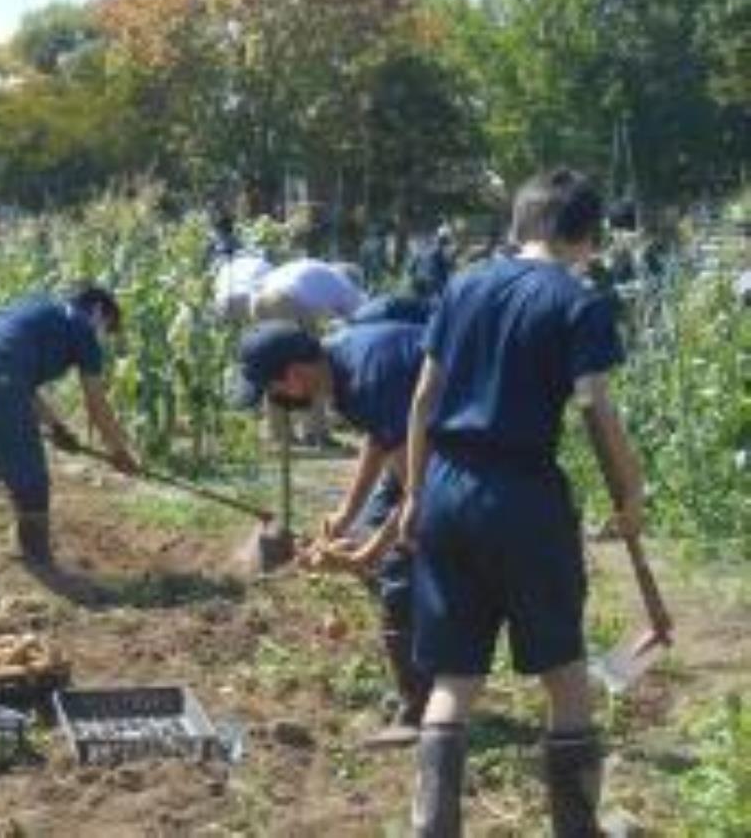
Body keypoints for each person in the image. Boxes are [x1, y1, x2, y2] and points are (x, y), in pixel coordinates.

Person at [397, 169, 654, 836]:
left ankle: (432, 827)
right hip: (523, 497)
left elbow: (423, 398)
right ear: (587, 237)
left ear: (520, 223)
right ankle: (575, 828)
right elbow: (594, 406)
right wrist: (629, 491)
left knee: (453, 678)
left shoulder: (463, 285)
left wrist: (414, 493)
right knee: (564, 674)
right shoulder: (577, 300)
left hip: (447, 489)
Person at [227, 320, 430, 746]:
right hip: (421, 450)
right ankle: (412, 673)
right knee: (371, 532)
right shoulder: (340, 365)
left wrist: (370, 553)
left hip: (468, 444)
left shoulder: (368, 378)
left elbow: (420, 488)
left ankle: (420, 707)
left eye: (272, 390)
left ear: (293, 375)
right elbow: (380, 438)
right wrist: (345, 513)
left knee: (398, 558)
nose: (276, 400)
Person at [0, 285, 140, 565]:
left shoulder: (40, 308)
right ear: (97, 310)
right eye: (107, 326)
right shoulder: (82, 326)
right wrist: (118, 451)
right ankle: (39, 562)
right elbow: (96, 403)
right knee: (30, 480)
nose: (102, 335)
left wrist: (56, 428)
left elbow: (21, 383)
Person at [249, 257, 369, 446]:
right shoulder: (347, 288)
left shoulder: (322, 273)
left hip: (257, 300)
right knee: (312, 368)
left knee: (273, 368)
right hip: (288, 301)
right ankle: (315, 432)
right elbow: (362, 328)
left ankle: (279, 433)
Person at [212, 248, 273, 323]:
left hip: (225, 301)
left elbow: (217, 288)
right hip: (248, 299)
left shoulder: (228, 266)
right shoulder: (263, 264)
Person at [408, 225, 455, 300]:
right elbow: (446, 270)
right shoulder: (440, 252)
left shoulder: (423, 247)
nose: (448, 243)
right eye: (447, 241)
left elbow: (411, 268)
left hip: (418, 281)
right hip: (432, 284)